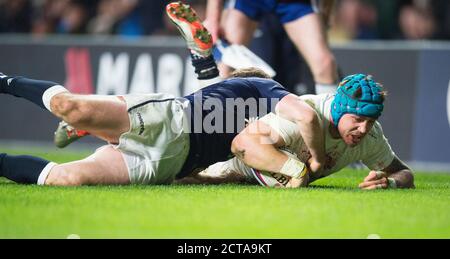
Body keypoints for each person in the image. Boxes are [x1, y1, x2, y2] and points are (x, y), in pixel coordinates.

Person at [0, 2, 324, 187]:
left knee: (67, 177)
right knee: (68, 106)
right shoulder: (261, 86)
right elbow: (303, 114)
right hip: (167, 123)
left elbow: (230, 166)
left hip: (165, 165)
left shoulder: (245, 120)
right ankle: (6, 81)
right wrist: (314, 160)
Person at [182, 73, 415, 190]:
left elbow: (404, 173)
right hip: (214, 170)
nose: (363, 129)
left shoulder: (371, 137)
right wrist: (298, 172)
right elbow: (243, 145)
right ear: (340, 110)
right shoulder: (304, 116)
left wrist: (390, 183)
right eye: (358, 119)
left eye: (371, 122)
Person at [203, 0, 340, 94]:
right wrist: (212, 18)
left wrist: (326, 10)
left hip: (292, 3)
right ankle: (216, 127)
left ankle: (332, 130)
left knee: (325, 64)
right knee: (224, 65)